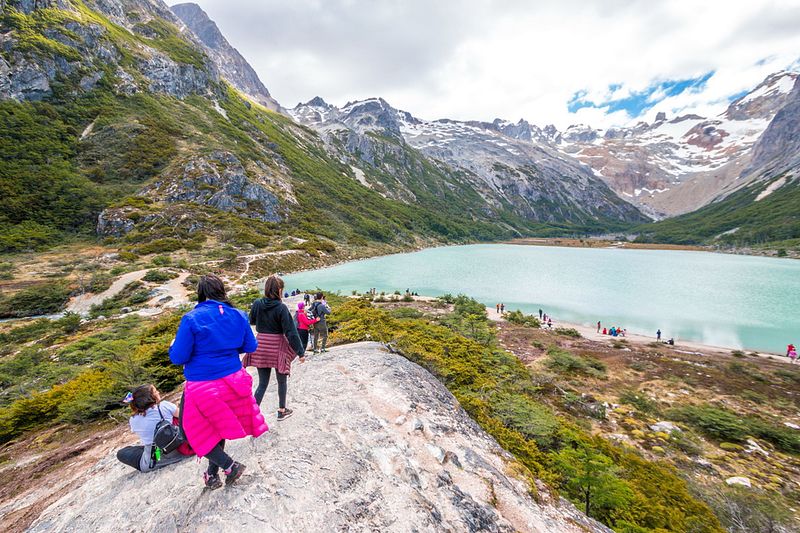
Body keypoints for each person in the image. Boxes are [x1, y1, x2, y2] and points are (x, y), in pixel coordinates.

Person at [169, 274, 267, 490]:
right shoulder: (238, 315)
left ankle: (230, 466)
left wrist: (173, 345)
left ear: (201, 294)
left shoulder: (192, 318)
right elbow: (250, 346)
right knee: (218, 427)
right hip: (234, 381)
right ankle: (212, 474)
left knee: (190, 431)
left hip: (203, 386)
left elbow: (178, 357)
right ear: (222, 291)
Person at [247, 275, 306, 420]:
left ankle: (252, 416)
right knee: (281, 380)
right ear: (279, 290)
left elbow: (252, 320)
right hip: (277, 346)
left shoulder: (257, 303)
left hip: (260, 344)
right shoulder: (281, 307)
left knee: (262, 383)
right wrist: (300, 352)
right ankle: (281, 410)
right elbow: (291, 332)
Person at [116, 384, 190, 472]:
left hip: (154, 459)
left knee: (122, 453)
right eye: (155, 391)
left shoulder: (133, 420)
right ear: (149, 398)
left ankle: (154, 455)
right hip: (177, 450)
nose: (158, 392)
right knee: (176, 419)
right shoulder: (164, 406)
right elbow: (185, 417)